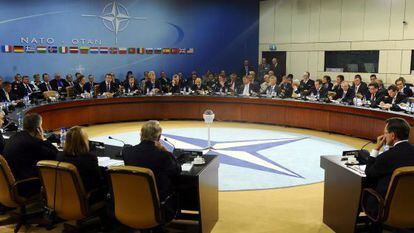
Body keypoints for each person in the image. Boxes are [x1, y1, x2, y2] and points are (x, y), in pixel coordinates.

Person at [123, 120, 181, 222]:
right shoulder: (163, 155)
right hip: (158, 201)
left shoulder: (127, 152)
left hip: (132, 198)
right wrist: (165, 150)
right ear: (159, 137)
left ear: (141, 134)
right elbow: (177, 170)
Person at [364, 118, 414, 220]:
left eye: (385, 133)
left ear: (393, 135)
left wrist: (376, 149)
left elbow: (369, 172)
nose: (383, 136)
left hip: (386, 206)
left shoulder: (387, 157)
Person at [3, 113, 58, 197]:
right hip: (24, 185)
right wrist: (43, 139)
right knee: (57, 172)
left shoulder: (15, 136)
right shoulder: (32, 143)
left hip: (9, 184)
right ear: (38, 129)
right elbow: (55, 154)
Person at [57, 126, 105, 203]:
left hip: (64, 196)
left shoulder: (60, 156)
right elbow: (97, 180)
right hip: (85, 198)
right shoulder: (89, 158)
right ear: (83, 141)